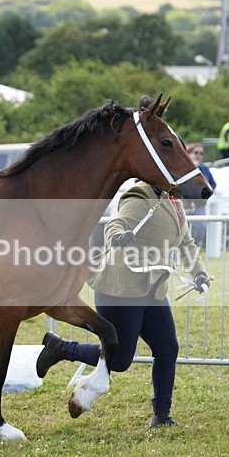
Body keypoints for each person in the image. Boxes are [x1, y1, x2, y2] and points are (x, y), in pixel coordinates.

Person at [35, 181, 211, 428]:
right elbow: (115, 224)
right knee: (118, 361)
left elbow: (186, 243)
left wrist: (199, 273)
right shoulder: (140, 196)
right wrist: (118, 237)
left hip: (153, 290)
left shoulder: (174, 202)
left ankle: (161, 416)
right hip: (121, 288)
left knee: (167, 349)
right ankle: (61, 348)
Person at [185, 143, 215, 247]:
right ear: (188, 153)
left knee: (201, 227)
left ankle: (193, 247)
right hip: (184, 203)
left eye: (201, 153)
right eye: (196, 152)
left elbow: (212, 184)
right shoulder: (182, 166)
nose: (198, 155)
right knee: (181, 229)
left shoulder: (204, 168)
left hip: (199, 204)